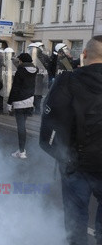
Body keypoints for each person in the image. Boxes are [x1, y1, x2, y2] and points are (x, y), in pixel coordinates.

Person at [40, 36, 102, 245]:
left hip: (76, 163)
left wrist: (62, 155)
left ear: (84, 55)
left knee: (76, 224)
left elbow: (51, 117)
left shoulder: (67, 80)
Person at [7, 53, 38, 159]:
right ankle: (22, 150)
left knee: (21, 127)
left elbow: (15, 88)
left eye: (19, 60)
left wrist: (9, 103)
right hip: (30, 101)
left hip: (19, 102)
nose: (18, 62)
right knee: (23, 126)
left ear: (22, 61)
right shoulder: (35, 70)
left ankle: (21, 151)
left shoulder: (20, 71)